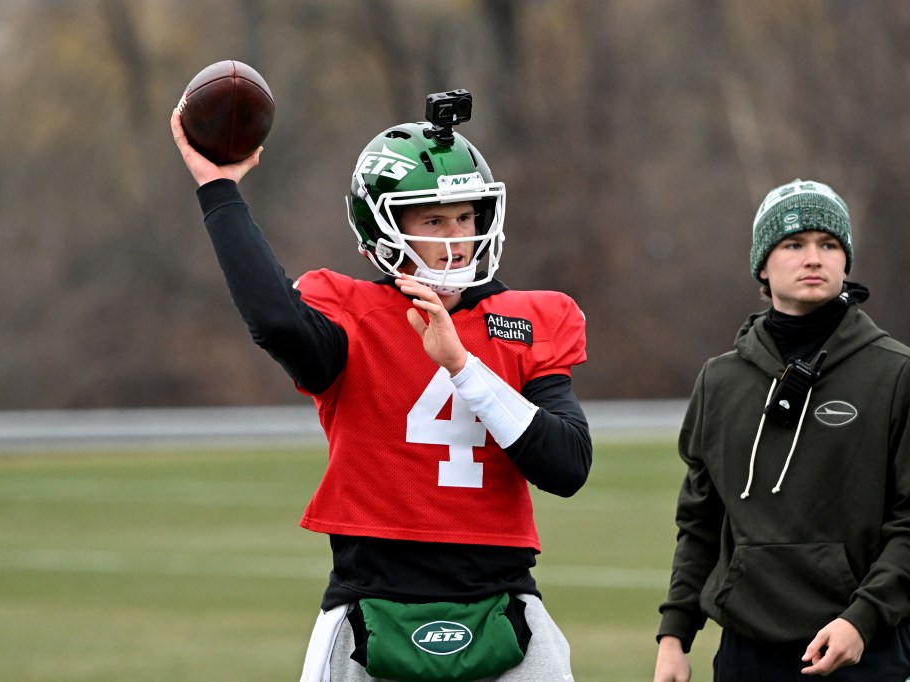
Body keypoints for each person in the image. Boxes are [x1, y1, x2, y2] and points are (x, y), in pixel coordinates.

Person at [171, 91, 592, 681]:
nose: (458, 238)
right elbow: (272, 319)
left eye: (467, 217)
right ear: (384, 227)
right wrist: (220, 191)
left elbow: (568, 466)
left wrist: (462, 366)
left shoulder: (528, 317)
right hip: (369, 603)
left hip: (504, 600)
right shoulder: (351, 313)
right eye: (435, 220)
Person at [653, 179, 910, 681]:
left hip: (865, 649)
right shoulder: (720, 380)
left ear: (845, 260)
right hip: (746, 654)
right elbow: (701, 524)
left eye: (829, 245)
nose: (813, 258)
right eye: (794, 244)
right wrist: (674, 637)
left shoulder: (896, 373)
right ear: (763, 266)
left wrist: (862, 620)